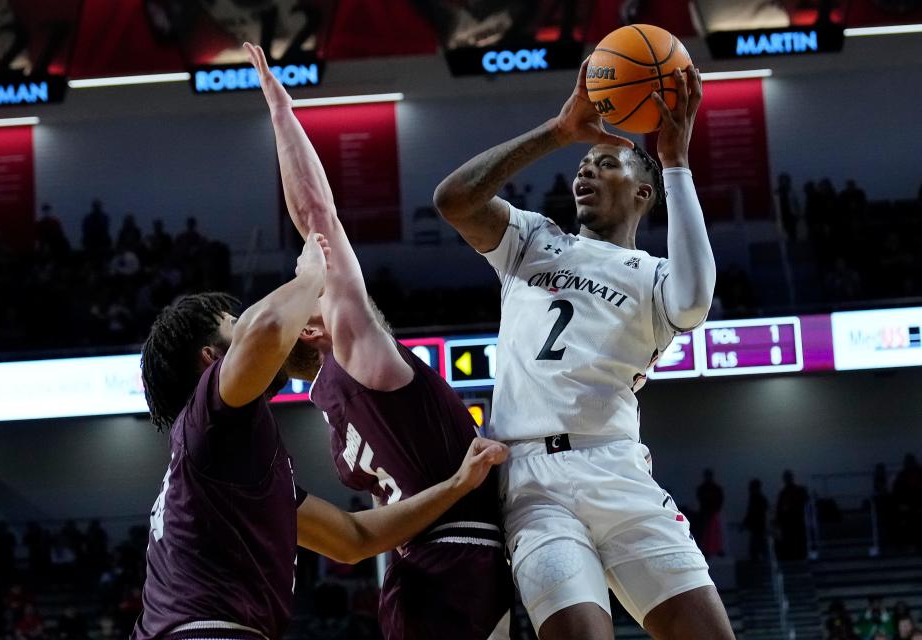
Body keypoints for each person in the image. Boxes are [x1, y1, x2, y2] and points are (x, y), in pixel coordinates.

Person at [435, 59, 732, 640]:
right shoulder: (533, 242)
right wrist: (558, 131)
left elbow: (696, 300)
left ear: (643, 191)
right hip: (533, 480)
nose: (585, 171)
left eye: (604, 162)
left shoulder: (655, 278)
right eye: (582, 164)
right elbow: (454, 200)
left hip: (618, 469)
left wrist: (676, 162)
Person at [244, 43, 513, 640]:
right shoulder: (356, 364)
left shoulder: (331, 405)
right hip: (457, 561)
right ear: (313, 328)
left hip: (417, 573)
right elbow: (318, 216)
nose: (316, 273)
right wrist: (281, 111)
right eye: (306, 282)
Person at [136, 235, 507, 640]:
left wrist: (456, 485)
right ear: (212, 360)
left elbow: (353, 538)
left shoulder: (226, 472)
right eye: (234, 325)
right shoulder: (208, 419)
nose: (248, 327)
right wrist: (312, 273)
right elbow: (270, 326)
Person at [776, 470, 810, 561]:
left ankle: (797, 557)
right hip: (793, 521)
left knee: (796, 541)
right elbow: (780, 509)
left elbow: (779, 509)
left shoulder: (785, 493)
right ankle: (798, 557)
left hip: (794, 520)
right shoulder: (797, 491)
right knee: (795, 541)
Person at [696, 469, 725, 558]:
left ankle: (714, 550)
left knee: (713, 533)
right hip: (708, 512)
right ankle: (709, 550)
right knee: (708, 533)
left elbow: (720, 499)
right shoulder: (707, 488)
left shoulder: (711, 488)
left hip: (711, 512)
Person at [742, 479, 769, 563]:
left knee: (756, 549)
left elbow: (751, 513)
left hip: (757, 528)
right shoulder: (761, 499)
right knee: (760, 548)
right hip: (760, 527)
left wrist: (745, 523)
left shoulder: (755, 499)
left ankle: (760, 566)